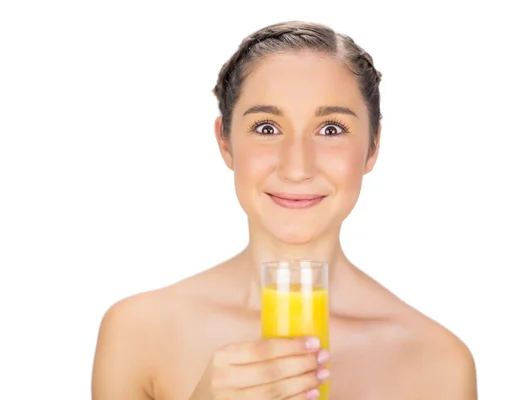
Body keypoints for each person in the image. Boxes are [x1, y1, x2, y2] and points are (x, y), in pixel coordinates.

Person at [91, 20, 477, 399]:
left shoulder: (440, 363)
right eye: (266, 127)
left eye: (330, 129)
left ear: (373, 147)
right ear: (225, 143)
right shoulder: (137, 333)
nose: (297, 168)